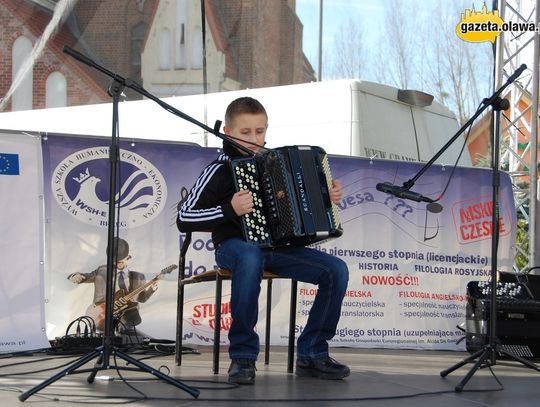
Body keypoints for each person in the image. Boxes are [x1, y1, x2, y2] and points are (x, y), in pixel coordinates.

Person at [178, 97, 349, 385]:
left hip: (277, 248)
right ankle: (243, 357)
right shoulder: (218, 170)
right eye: (246, 133)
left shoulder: (276, 164)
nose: (255, 139)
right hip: (234, 248)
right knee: (249, 256)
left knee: (336, 269)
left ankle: (312, 354)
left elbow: (300, 205)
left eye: (260, 131)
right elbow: (185, 217)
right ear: (228, 130)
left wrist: (325, 198)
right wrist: (229, 209)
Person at [68, 237, 158, 336]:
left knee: (134, 340)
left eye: (119, 262)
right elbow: (86, 276)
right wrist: (75, 276)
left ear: (128, 257)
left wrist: (152, 288)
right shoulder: (102, 271)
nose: (115, 264)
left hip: (128, 318)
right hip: (103, 316)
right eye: (113, 262)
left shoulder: (138, 277)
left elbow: (142, 298)